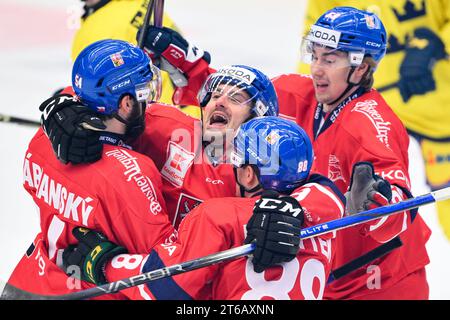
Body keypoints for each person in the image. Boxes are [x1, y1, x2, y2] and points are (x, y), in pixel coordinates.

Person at [134, 7, 431, 299]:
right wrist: (191, 66)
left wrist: (376, 202)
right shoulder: (296, 92)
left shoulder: (371, 123)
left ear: (361, 68)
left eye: (329, 60)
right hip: (324, 272)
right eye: (314, 55)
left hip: (383, 281)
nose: (316, 68)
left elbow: (399, 203)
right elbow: (244, 99)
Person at [61, 116, 347, 300]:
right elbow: (326, 193)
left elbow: (162, 288)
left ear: (248, 174)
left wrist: (105, 264)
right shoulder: (321, 224)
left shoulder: (218, 215)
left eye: (235, 158)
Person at [7, 39, 175, 299]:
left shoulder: (44, 139)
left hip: (30, 285)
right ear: (126, 104)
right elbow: (167, 270)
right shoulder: (132, 173)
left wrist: (58, 104)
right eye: (144, 92)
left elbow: (33, 185)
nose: (149, 103)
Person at [40, 64, 279, 228]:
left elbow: (312, 195)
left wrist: (288, 213)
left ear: (258, 118)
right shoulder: (167, 126)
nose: (220, 102)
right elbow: (108, 96)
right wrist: (65, 103)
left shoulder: (270, 168)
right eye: (215, 95)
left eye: (235, 99)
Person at [295, 0, 450, 243]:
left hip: (438, 107)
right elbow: (317, 32)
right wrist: (316, 92)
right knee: (359, 194)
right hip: (362, 107)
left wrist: (437, 45)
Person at [72, 0, 202, 117]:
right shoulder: (140, 2)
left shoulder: (91, 33)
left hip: (154, 125)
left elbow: (94, 95)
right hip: (192, 108)